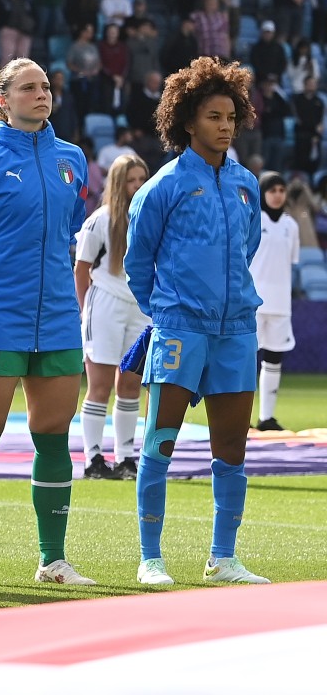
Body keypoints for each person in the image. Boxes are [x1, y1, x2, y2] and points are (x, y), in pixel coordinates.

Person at [0, 57, 95, 586]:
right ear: (2, 99)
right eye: (29, 88)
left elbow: (72, 227)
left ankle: (53, 561)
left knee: (53, 436)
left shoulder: (72, 160)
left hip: (56, 315)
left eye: (47, 86)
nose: (42, 95)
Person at [125, 58, 269, 585]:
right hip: (181, 330)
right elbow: (138, 263)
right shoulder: (162, 186)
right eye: (213, 116)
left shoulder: (246, 184)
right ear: (188, 121)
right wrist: (168, 312)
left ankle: (222, 558)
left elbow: (247, 248)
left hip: (236, 331)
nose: (225, 125)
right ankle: (151, 558)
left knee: (232, 448)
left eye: (231, 115)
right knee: (160, 444)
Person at [72, 153, 151, 480]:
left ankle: (126, 458)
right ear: (118, 184)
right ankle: (93, 459)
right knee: (100, 386)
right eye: (131, 180)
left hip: (139, 308)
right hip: (104, 304)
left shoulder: (151, 219)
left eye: (141, 179)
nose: (137, 186)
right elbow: (82, 268)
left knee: (130, 384)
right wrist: (84, 308)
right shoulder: (100, 220)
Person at [250, 171, 300, 431]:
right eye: (273, 190)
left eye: (282, 190)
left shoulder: (292, 226)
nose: (278, 195)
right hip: (253, 303)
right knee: (246, 358)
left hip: (281, 304)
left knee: (274, 359)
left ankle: (266, 418)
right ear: (263, 193)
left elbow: (291, 261)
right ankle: (239, 416)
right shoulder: (253, 221)